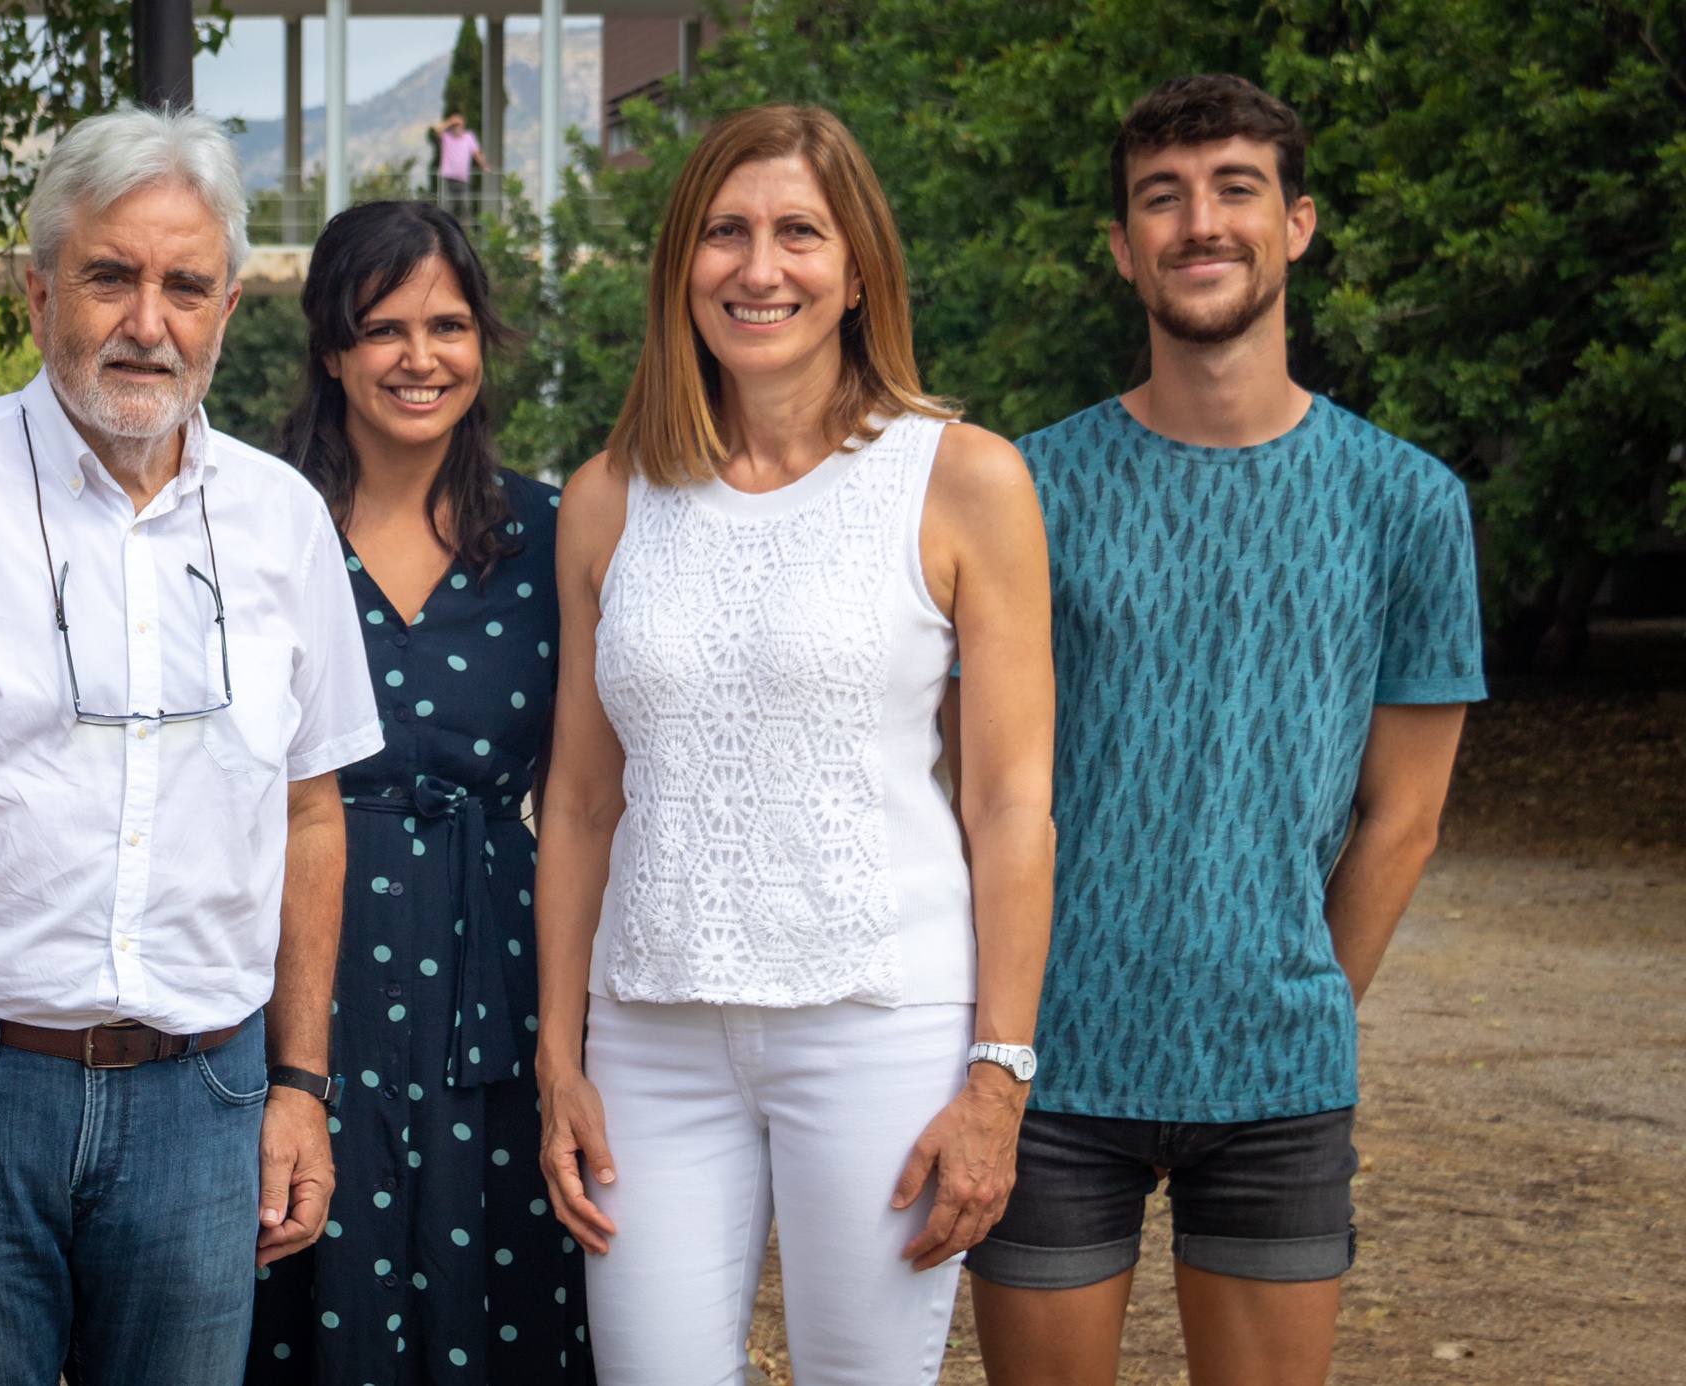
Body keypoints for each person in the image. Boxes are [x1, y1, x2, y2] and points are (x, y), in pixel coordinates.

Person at [0, 105, 383, 1386]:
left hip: (204, 1102)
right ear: (41, 292)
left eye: (185, 287)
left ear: (225, 310)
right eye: (110, 276)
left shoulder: (285, 521)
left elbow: (310, 813)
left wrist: (299, 1084)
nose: (149, 321)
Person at [963, 75, 1484, 1386]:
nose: (1200, 223)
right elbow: (969, 780)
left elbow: (1405, 816)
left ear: (1296, 224)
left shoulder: (1409, 504)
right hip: (1049, 1067)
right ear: (1122, 246)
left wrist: (1299, 1002)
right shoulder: (1024, 488)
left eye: (1235, 189)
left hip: (1278, 1082)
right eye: (1162, 197)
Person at [533, 104, 1057, 1385]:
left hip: (879, 1021)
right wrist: (559, 1052)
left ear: (858, 270)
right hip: (648, 1032)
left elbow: (1008, 800)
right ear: (681, 267)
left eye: (798, 234)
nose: (758, 268)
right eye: (724, 232)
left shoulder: (963, 479)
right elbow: (582, 801)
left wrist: (998, 1076)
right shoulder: (606, 497)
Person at [246, 200, 592, 1384]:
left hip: (497, 972)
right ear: (331, 348)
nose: (418, 357)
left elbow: (589, 796)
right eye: (382, 327)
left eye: (447, 325)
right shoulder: (255, 522)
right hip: (301, 968)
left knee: (498, 1290)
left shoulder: (552, 535)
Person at [433, 111, 489, 227]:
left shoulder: (469, 137)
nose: (456, 127)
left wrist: (484, 166)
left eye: (459, 124)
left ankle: (466, 232)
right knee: (448, 208)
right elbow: (437, 131)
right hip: (448, 178)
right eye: (455, 125)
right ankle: (447, 231)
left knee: (465, 207)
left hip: (463, 179)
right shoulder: (446, 137)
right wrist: (451, 121)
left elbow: (476, 153)